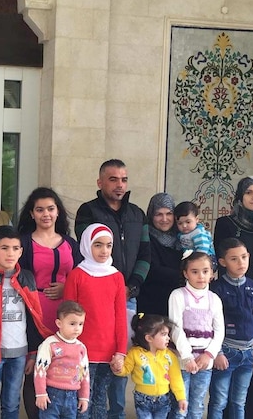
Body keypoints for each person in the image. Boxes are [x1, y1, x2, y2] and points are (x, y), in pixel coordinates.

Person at [74, 159, 149, 419]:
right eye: (113, 179)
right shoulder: (88, 211)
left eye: (124, 179)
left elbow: (145, 254)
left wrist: (133, 285)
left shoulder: (138, 214)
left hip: (127, 295)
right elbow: (91, 249)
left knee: (119, 361)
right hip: (97, 295)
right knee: (89, 379)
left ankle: (115, 413)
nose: (120, 185)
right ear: (100, 182)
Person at [0, 226, 52, 419]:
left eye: (15, 248)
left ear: (21, 251)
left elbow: (34, 320)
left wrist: (32, 354)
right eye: (4, 248)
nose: (10, 253)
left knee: (12, 404)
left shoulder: (27, 278)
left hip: (19, 354)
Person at [213, 176, 253, 419]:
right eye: (249, 192)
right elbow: (219, 258)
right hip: (231, 292)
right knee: (228, 355)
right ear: (239, 197)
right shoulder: (226, 223)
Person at [18, 187, 83, 419]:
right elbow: (18, 278)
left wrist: (67, 288)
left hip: (64, 316)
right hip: (32, 312)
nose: (46, 214)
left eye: (50, 208)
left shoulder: (70, 244)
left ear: (58, 212)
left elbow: (80, 276)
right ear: (32, 214)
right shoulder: (23, 242)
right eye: (40, 209)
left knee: (61, 368)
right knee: (35, 367)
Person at [63, 224, 128, 419]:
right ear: (86, 245)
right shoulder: (77, 275)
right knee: (81, 401)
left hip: (108, 352)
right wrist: (68, 346)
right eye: (98, 245)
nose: (104, 250)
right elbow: (67, 315)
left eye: (109, 245)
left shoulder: (116, 276)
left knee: (100, 399)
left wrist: (121, 351)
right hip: (82, 350)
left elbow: (120, 317)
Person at [208, 238, 253, 419]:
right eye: (234, 259)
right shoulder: (216, 289)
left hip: (248, 353)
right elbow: (210, 323)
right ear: (223, 262)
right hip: (225, 351)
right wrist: (217, 352)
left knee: (239, 401)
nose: (241, 263)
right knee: (219, 400)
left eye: (244, 257)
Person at [168, 251, 224, 419]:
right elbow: (175, 328)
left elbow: (220, 331)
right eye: (195, 271)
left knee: (197, 406)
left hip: (204, 363)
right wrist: (187, 357)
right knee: (180, 405)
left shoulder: (214, 299)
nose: (201, 276)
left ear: (212, 273)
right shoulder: (178, 296)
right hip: (182, 361)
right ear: (185, 273)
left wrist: (209, 354)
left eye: (205, 271)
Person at [111, 314, 187, 419]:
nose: (168, 338)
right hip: (142, 399)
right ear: (149, 338)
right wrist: (118, 368)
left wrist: (181, 397)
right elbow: (125, 370)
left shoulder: (170, 356)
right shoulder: (134, 353)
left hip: (163, 399)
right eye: (163, 334)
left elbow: (176, 379)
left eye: (167, 334)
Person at [33, 300, 91, 419]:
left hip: (72, 396)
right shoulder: (49, 344)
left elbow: (84, 374)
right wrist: (41, 393)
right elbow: (40, 371)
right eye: (72, 324)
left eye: (81, 324)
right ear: (59, 323)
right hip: (51, 395)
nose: (77, 328)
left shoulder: (81, 348)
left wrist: (84, 397)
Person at [137, 193, 184, 317]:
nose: (164, 219)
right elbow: (153, 270)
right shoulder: (145, 237)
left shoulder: (182, 238)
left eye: (169, 214)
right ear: (151, 215)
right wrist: (185, 275)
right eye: (159, 214)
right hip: (152, 305)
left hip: (179, 304)